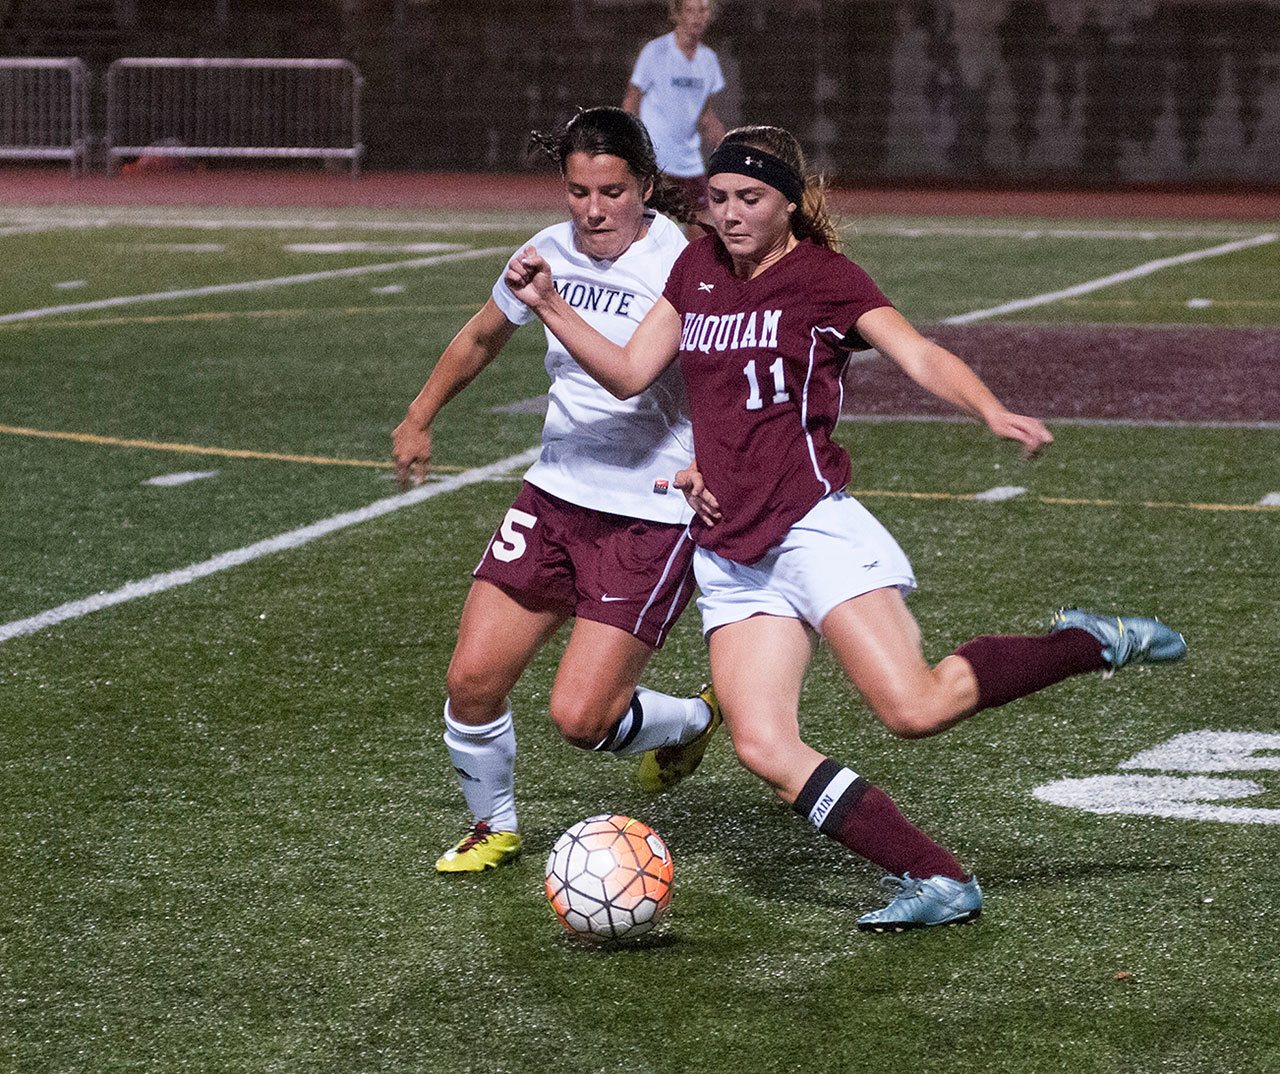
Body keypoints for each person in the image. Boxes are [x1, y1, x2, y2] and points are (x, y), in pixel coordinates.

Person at [503, 124, 1188, 930]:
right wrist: (547, 302)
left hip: (809, 529)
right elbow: (625, 374)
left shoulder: (825, 278)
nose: (730, 215)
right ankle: (937, 879)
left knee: (915, 707)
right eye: (719, 198)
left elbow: (919, 355)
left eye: (750, 199)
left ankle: (1086, 643)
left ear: (790, 202)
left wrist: (990, 409)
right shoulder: (697, 270)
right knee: (763, 746)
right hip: (730, 552)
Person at [392, 107, 721, 875]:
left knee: (582, 719)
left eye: (610, 191)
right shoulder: (544, 251)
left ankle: (691, 720)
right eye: (577, 191)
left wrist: (722, 462)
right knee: (471, 680)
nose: (593, 210)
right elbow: (480, 336)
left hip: (649, 514)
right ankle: (493, 826)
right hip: (554, 496)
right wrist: (419, 415)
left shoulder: (686, 266)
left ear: (645, 185)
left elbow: (643, 375)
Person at [623, 0, 726, 219]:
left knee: (699, 228)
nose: (697, 17)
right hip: (657, 156)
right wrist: (632, 142)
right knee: (651, 227)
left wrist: (728, 145)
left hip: (689, 159)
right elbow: (632, 99)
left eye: (703, 10)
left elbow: (706, 115)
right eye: (690, 10)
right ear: (677, 15)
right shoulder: (655, 51)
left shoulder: (709, 60)